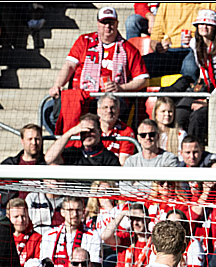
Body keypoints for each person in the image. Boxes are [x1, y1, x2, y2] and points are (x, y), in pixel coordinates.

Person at [48, 7, 148, 135]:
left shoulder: (128, 49)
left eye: (111, 22)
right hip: (82, 96)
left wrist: (120, 88)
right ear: (98, 24)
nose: (107, 26)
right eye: (104, 22)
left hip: (112, 99)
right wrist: (57, 85)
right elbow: (69, 65)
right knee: (49, 111)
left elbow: (143, 80)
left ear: (117, 23)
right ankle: (68, 147)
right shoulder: (84, 41)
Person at [175, 9, 216, 142]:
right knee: (180, 112)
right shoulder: (195, 43)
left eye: (208, 25)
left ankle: (195, 148)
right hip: (203, 85)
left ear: (215, 28)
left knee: (197, 116)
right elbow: (202, 71)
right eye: (201, 24)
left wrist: (207, 102)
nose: (204, 27)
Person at [141, 2, 216, 83]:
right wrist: (158, 46)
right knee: (141, 65)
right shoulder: (166, 4)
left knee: (190, 68)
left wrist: (195, 40)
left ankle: (189, 93)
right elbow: (155, 37)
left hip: (194, 49)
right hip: (169, 51)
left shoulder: (210, 4)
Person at [38, 196, 102, 267]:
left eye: (78, 210)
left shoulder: (93, 235)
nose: (75, 214)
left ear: (83, 212)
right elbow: (44, 265)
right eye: (70, 210)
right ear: (62, 212)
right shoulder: (49, 235)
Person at [121, 118, 184, 192]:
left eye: (151, 134)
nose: (147, 138)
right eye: (143, 135)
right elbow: (124, 189)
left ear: (158, 136)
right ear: (138, 138)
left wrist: (137, 186)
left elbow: (169, 188)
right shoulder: (131, 161)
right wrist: (154, 188)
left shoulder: (169, 158)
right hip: (136, 203)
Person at [44, 114, 121, 167]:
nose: (87, 134)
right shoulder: (73, 153)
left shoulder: (110, 158)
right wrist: (69, 133)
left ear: (100, 132)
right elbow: (48, 159)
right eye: (83, 131)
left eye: (91, 131)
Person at [96, 94, 136, 163]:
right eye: (105, 107)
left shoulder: (127, 132)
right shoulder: (90, 129)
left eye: (112, 107)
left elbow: (123, 164)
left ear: (118, 111)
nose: (109, 111)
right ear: (98, 111)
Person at [6, 198, 41, 267]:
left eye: (23, 216)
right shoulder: (4, 238)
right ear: (8, 217)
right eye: (16, 217)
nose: (21, 220)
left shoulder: (37, 238)